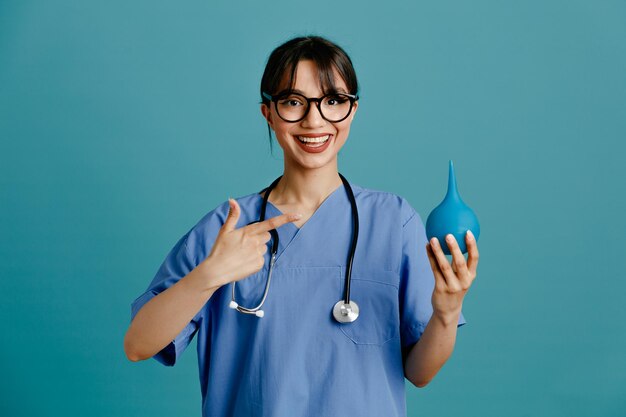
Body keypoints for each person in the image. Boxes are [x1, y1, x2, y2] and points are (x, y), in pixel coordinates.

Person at [124, 35, 479, 417]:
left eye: (333, 101)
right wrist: (209, 275)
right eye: (294, 102)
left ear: (352, 110)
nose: (314, 120)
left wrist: (446, 311)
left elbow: (420, 373)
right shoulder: (228, 228)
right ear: (268, 113)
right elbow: (138, 345)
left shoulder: (393, 222)